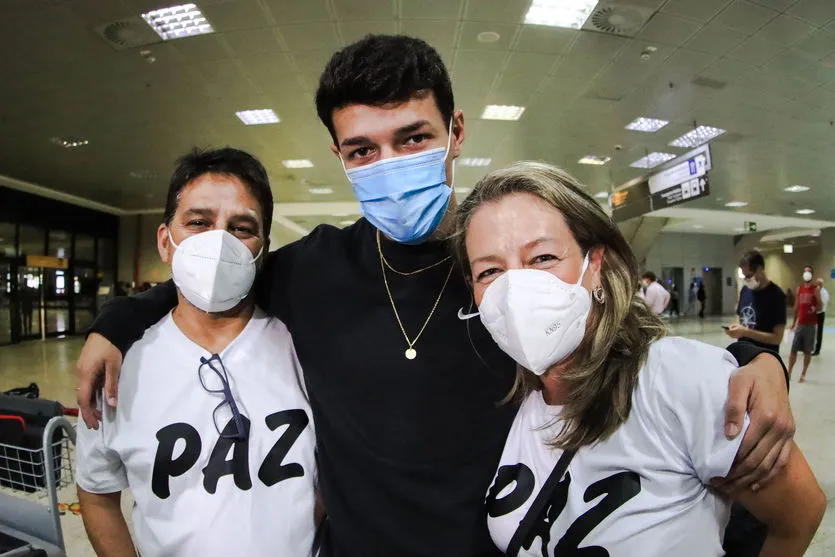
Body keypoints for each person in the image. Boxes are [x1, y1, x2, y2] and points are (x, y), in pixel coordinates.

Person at [75, 35, 795, 557]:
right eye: (362, 149)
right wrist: (116, 319)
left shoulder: (504, 271)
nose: (387, 163)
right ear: (339, 157)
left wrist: (755, 362)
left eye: (411, 137)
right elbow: (213, 277)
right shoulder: (310, 269)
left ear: (454, 133)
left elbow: (627, 338)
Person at [455, 162, 824, 557]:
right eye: (490, 271)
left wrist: (766, 362)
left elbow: (798, 516)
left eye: (543, 257)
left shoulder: (676, 381)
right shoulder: (512, 403)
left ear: (595, 266)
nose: (515, 290)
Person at [74, 148, 317, 557]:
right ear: (165, 242)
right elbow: (97, 492)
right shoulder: (116, 365)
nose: (218, 242)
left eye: (241, 228)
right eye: (198, 222)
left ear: (263, 252)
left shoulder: (307, 350)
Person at [729, 251, 787, 353]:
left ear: (760, 270)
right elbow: (743, 322)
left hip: (765, 357)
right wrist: (737, 330)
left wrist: (746, 332)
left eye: (749, 275)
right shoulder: (745, 291)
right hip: (744, 353)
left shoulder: (776, 295)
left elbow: (777, 338)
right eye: (744, 276)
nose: (747, 280)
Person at [788, 266, 821, 382]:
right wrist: (793, 323)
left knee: (807, 350)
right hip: (800, 324)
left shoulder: (815, 289)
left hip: (810, 325)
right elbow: (796, 307)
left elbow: (820, 305)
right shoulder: (799, 289)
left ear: (812, 274)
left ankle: (803, 374)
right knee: (794, 349)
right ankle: (789, 372)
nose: (807, 273)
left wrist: (814, 308)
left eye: (809, 272)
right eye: (805, 271)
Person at [813, 277, 828, 356]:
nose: (816, 285)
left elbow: (822, 305)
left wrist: (817, 297)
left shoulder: (824, 293)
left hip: (820, 314)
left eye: (818, 283)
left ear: (821, 284)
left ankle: (817, 350)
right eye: (816, 283)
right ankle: (811, 347)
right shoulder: (817, 291)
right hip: (815, 314)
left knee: (819, 332)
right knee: (813, 331)